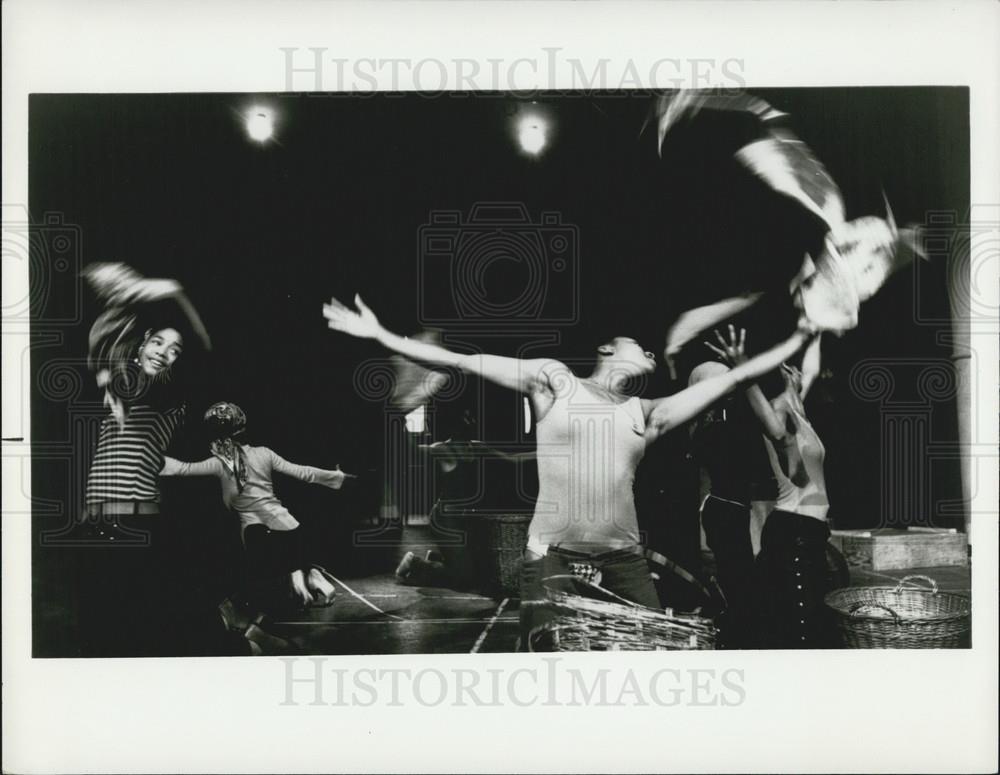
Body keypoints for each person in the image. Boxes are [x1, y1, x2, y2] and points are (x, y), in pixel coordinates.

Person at [323, 294, 817, 646]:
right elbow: (464, 361)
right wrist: (381, 334)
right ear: (605, 350)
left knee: (652, 656)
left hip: (624, 562)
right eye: (637, 344)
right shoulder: (555, 381)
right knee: (547, 657)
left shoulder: (647, 412)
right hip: (552, 557)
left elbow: (741, 375)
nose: (648, 351)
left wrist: (801, 332)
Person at [77, 262, 236, 657]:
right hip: (94, 518)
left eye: (174, 351)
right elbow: (102, 347)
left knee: (142, 625)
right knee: (103, 632)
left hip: (136, 519)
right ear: (143, 341)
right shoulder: (115, 376)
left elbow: (203, 348)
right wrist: (120, 301)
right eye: (158, 343)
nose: (164, 354)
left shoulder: (167, 396)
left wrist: (171, 291)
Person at [160, 401, 355, 615]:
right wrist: (337, 478)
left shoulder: (219, 463)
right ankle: (307, 576)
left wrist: (150, 458)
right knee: (288, 556)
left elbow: (183, 469)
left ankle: (298, 581)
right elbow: (303, 472)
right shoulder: (264, 453)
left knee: (256, 568)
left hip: (256, 532)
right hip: (288, 525)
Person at [709, 326, 838, 648]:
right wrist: (744, 370)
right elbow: (778, 435)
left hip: (807, 531)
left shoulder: (796, 403)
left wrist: (817, 328)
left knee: (804, 619)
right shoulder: (778, 411)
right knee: (798, 628)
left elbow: (812, 369)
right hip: (793, 533)